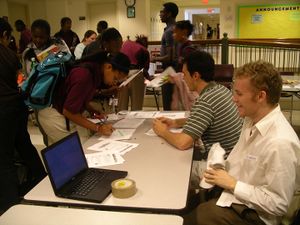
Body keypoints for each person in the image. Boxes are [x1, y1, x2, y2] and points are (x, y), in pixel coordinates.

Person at [185, 61, 300, 225]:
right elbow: (241, 165)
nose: (234, 99)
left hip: (256, 215)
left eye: (239, 94)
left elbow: (278, 204)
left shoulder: (280, 143)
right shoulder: (250, 119)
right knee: (185, 194)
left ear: (261, 96)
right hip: (233, 193)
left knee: (192, 217)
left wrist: (233, 184)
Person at [153, 51, 242, 186]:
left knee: (171, 167)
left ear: (195, 76)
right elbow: (204, 119)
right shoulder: (221, 90)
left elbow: (183, 143)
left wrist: (163, 131)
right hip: (234, 158)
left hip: (221, 166)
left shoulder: (206, 101)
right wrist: (175, 122)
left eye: (184, 74)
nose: (183, 78)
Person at [0, 18, 46, 213]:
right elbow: (16, 80)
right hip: (16, 107)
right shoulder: (9, 54)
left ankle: (10, 208)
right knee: (25, 147)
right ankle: (42, 185)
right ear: (4, 36)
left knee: (4, 161)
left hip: (2, 111)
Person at [38, 51, 131, 145]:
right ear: (108, 67)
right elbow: (68, 111)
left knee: (84, 141)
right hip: (53, 115)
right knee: (78, 150)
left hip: (62, 112)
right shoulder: (84, 75)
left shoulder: (94, 72)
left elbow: (78, 97)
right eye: (115, 78)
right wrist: (98, 128)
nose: (114, 83)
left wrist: (92, 111)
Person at [151, 2, 178, 110]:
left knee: (167, 103)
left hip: (169, 70)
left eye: (162, 12)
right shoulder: (175, 28)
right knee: (173, 101)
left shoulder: (169, 31)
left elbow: (169, 57)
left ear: (169, 14)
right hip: (174, 69)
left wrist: (154, 58)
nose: (160, 14)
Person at [119, 35, 151, 111]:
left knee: (122, 106)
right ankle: (135, 121)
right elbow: (144, 70)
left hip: (121, 74)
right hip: (136, 73)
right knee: (136, 105)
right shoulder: (144, 50)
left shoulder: (126, 43)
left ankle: (121, 121)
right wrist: (150, 78)